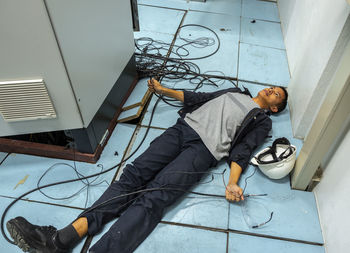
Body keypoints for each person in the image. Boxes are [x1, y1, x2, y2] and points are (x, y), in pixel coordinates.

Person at [6, 78, 288, 253]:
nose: (272, 90)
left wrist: (233, 181)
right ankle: (60, 240)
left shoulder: (261, 121)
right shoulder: (234, 91)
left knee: (154, 197)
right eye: (273, 87)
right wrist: (164, 89)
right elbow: (198, 99)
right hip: (181, 130)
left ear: (274, 108)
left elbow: (242, 150)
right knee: (131, 177)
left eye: (277, 94)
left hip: (204, 150)